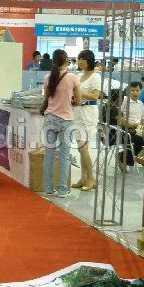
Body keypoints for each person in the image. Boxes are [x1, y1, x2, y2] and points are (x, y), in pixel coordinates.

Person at [42, 49, 81, 198]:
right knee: (64, 156)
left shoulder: (47, 77)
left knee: (49, 155)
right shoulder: (73, 78)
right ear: (66, 61)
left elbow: (47, 97)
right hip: (66, 120)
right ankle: (63, 190)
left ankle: (48, 188)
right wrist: (69, 102)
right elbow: (78, 101)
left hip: (50, 119)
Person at [72, 49, 101, 192]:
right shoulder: (79, 76)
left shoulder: (95, 76)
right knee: (81, 148)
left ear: (89, 60)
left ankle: (91, 178)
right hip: (78, 113)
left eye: (83, 59)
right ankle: (83, 177)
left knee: (83, 148)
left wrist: (77, 92)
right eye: (79, 59)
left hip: (88, 114)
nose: (80, 61)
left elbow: (95, 96)